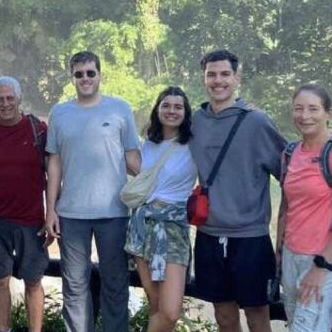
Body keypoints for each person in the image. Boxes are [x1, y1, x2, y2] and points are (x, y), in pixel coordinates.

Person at [189, 50, 287, 332]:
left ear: (237, 78)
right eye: (211, 75)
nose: (218, 81)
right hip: (208, 234)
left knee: (257, 316)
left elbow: (290, 176)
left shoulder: (257, 122)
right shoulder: (196, 121)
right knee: (224, 316)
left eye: (224, 74)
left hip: (250, 237)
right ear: (204, 78)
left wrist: (287, 234)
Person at [45, 51, 141, 332]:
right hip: (71, 214)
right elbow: (54, 164)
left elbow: (134, 158)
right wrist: (50, 209)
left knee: (115, 283)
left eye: (90, 73)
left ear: (100, 74)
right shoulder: (60, 113)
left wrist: (165, 170)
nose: (85, 78)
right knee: (74, 286)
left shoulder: (120, 109)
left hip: (114, 212)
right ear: (72, 77)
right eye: (79, 74)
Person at [276, 85, 332, 332]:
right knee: (295, 326)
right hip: (292, 257)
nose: (305, 116)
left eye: (313, 109)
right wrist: (279, 253)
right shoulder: (291, 153)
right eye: (299, 109)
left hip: (325, 259)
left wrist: (321, 266)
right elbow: (287, 208)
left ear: (328, 114)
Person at [0, 76, 49, 332]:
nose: (5, 104)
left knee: (33, 281)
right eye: (0, 99)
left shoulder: (38, 130)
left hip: (32, 221)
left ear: (19, 99)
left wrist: (51, 216)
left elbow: (52, 176)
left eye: (10, 98)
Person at [124, 86, 197, 332]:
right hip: (143, 227)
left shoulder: (194, 144)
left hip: (173, 229)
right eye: (166, 105)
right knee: (155, 304)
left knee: (170, 311)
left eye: (178, 107)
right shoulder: (147, 145)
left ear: (186, 113)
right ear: (158, 110)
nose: (172, 111)